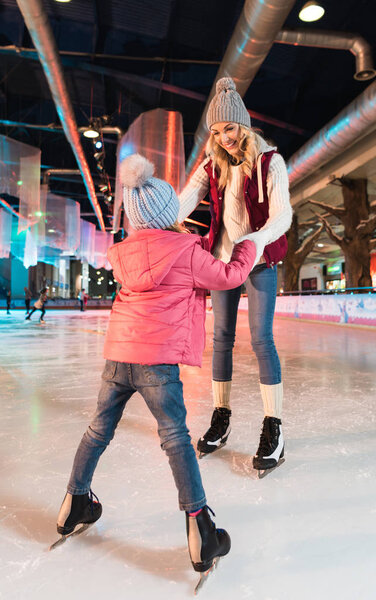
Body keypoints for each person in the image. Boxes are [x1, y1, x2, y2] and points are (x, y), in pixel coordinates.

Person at [55, 154, 263, 580]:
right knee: (175, 438)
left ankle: (75, 501)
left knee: (98, 429)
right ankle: (201, 529)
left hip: (119, 355)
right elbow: (226, 277)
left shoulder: (123, 253)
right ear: (172, 212)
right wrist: (248, 247)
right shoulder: (185, 250)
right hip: (158, 361)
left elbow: (156, 270)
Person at [178, 77, 293, 475]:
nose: (223, 137)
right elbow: (184, 201)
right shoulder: (211, 165)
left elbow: (283, 214)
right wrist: (157, 223)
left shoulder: (269, 162)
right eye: (215, 131)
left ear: (242, 125)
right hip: (223, 262)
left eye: (229, 128)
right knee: (222, 338)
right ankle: (221, 417)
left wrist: (257, 242)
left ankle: (273, 427)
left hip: (258, 259)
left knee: (261, 338)